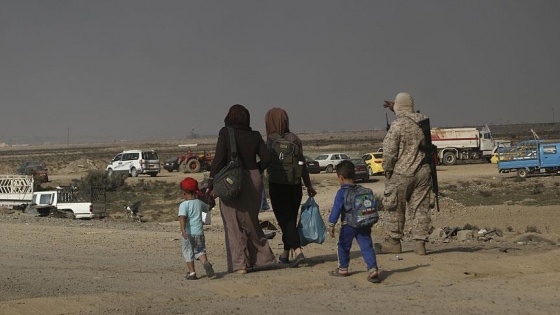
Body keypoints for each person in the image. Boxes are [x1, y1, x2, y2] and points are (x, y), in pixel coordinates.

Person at [207, 104, 276, 274]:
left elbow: (218, 160)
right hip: (254, 180)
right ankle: (262, 258)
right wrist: (255, 170)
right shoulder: (254, 135)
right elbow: (267, 158)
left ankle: (240, 265)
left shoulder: (226, 133)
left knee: (233, 224)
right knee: (251, 221)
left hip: (231, 181)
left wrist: (211, 182)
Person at [377, 92, 433, 255]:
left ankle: (394, 242)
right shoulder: (423, 120)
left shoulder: (398, 125)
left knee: (394, 207)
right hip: (423, 172)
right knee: (420, 208)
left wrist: (387, 169)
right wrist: (396, 107)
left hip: (401, 173)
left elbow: (389, 151)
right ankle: (420, 245)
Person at [264, 107, 317, 268]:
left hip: (277, 186)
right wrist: (308, 184)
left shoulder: (270, 141)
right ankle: (286, 254)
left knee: (285, 220)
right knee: (290, 219)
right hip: (294, 186)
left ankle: (298, 251)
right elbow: (302, 164)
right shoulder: (295, 139)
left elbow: (266, 163)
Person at [326, 160, 380, 283]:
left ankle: (343, 268)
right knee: (367, 246)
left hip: (348, 225)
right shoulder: (363, 190)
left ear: (340, 178)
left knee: (343, 246)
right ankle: (373, 269)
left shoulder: (341, 193)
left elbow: (336, 209)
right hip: (364, 223)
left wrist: (331, 224)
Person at [178, 177, 216, 280]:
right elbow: (207, 208)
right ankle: (205, 262)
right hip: (199, 232)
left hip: (188, 233)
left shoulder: (183, 205)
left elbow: (182, 218)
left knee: (188, 252)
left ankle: (192, 273)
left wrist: (183, 230)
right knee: (200, 251)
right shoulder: (199, 203)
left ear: (184, 193)